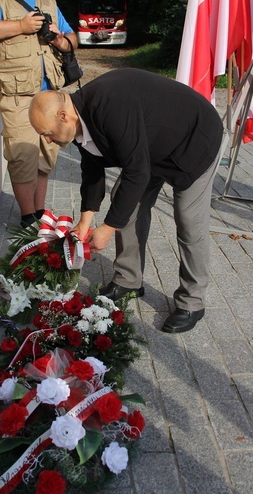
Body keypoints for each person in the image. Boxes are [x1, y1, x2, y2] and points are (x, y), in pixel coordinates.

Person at [28, 69, 225, 334]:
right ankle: (128, 280)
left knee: (189, 218)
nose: (47, 139)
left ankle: (193, 301)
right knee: (125, 200)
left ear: (63, 116)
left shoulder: (110, 107)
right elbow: (92, 167)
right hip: (152, 146)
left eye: (47, 132)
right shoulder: (78, 117)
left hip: (194, 138)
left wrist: (107, 230)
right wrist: (85, 221)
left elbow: (137, 172)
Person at [0, 0, 78, 227]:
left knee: (45, 157)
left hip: (51, 97)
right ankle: (27, 219)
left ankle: (40, 214)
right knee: (22, 157)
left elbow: (73, 39)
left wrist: (61, 41)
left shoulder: (49, 2)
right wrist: (20, 26)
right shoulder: (0, 2)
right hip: (17, 97)